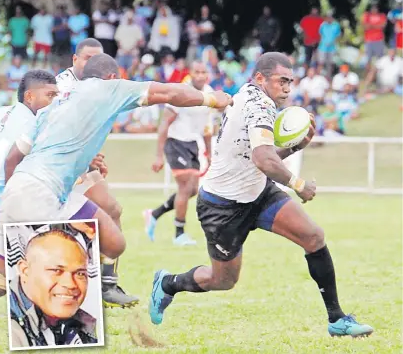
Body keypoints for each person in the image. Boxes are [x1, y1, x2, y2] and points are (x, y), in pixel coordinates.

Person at [148, 52, 374, 338]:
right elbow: (263, 160)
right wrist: (298, 183)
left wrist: (294, 147)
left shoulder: (251, 96)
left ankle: (337, 319)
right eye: (282, 81)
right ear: (260, 78)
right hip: (222, 205)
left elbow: (261, 157)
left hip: (258, 192)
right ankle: (168, 283)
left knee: (313, 237)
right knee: (223, 280)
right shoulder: (259, 105)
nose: (287, 88)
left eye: (290, 82)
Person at [0, 54, 232, 303]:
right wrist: (213, 99)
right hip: (39, 193)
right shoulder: (110, 88)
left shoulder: (60, 100)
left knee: (114, 242)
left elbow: (14, 157)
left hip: (35, 190)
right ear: (113, 77)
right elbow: (169, 93)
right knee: (33, 285)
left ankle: (105, 285)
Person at [56, 38, 139, 308]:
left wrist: (93, 155)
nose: (92, 64)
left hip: (80, 163)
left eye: (97, 60)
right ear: (74, 60)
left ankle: (107, 285)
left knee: (112, 210)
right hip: (57, 167)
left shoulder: (99, 88)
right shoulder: (61, 88)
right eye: (87, 58)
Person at [0, 70, 59, 302]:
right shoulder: (36, 123)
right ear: (29, 96)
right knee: (10, 275)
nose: (54, 101)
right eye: (49, 95)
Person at [144, 61, 216, 246]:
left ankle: (154, 214)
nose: (200, 75)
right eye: (196, 72)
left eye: (203, 72)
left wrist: (209, 151)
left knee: (192, 190)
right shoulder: (180, 92)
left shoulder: (209, 93)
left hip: (192, 144)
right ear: (190, 73)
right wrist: (158, 155)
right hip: (175, 142)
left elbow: (207, 127)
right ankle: (179, 234)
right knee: (185, 188)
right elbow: (164, 124)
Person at [10, 228, 97, 347]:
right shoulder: (9, 331)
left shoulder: (82, 325)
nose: (70, 284)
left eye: (80, 273)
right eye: (56, 270)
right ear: (25, 271)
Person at [317, 11, 341, 78]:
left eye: (330, 17)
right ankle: (317, 77)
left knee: (330, 64)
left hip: (332, 48)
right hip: (322, 47)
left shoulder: (336, 25)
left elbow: (338, 36)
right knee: (321, 63)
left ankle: (328, 78)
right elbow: (320, 35)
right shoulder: (323, 25)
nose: (329, 18)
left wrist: (334, 43)